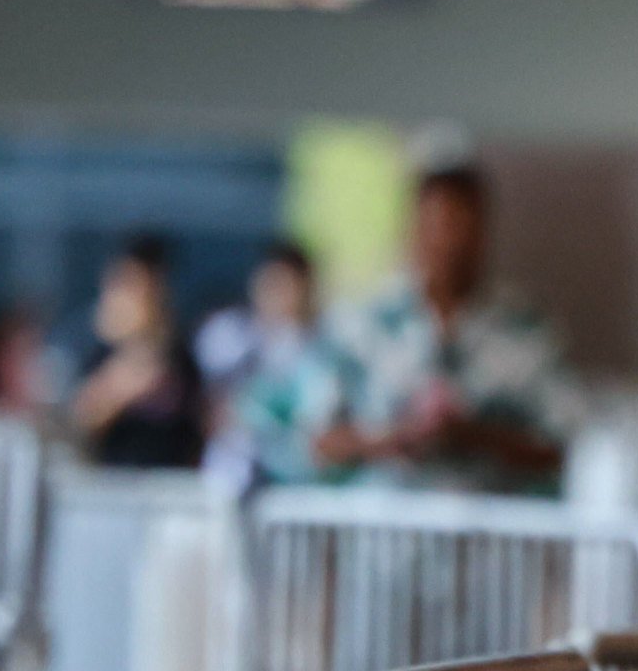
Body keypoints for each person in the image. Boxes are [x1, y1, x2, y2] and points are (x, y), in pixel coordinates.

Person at [318, 159, 573, 493]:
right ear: (413, 230)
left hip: (491, 534)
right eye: (438, 224)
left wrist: (476, 437)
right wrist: (392, 439)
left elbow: (561, 450)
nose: (450, 243)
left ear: (484, 233)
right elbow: (321, 443)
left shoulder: (526, 328)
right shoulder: (364, 324)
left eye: (463, 226)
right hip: (385, 531)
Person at [206, 239, 348, 488]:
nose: (276, 295)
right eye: (270, 283)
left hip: (293, 490)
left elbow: (316, 427)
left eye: (285, 285)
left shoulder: (320, 354)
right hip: (231, 482)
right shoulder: (230, 337)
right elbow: (215, 412)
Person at [65, 234, 204, 470]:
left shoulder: (180, 353)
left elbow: (196, 427)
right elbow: (77, 424)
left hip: (170, 485)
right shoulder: (93, 348)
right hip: (110, 484)